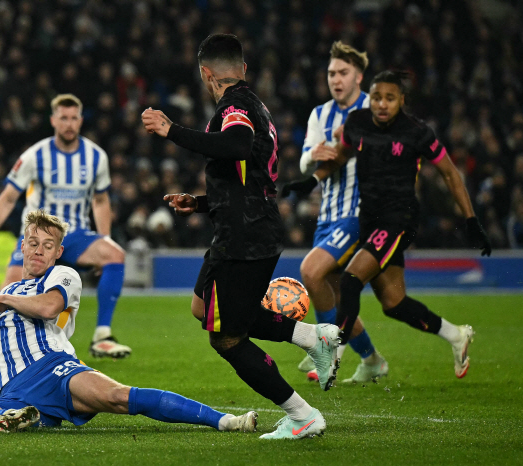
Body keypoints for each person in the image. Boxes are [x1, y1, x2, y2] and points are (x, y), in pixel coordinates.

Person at [142, 34, 340, 440]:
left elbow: (237, 144)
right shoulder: (256, 105)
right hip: (246, 225)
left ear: (205, 73)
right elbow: (246, 173)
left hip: (244, 235)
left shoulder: (234, 107)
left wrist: (171, 130)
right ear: (244, 68)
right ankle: (311, 335)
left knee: (228, 338)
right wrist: (199, 203)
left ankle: (303, 416)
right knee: (204, 309)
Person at [0, 210, 259, 433]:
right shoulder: (10, 290)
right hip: (12, 391)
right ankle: (20, 419)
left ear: (58, 252)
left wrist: (3, 298)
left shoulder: (65, 276)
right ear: (22, 246)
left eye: (48, 245)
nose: (39, 250)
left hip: (54, 369)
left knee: (120, 397)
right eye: (34, 243)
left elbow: (48, 308)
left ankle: (226, 421)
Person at [286, 71, 492, 378]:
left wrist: (471, 220)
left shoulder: (417, 132)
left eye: (390, 98)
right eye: (378, 97)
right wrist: (312, 181)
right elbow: (340, 157)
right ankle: (456, 335)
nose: (382, 104)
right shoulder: (356, 124)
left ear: (402, 101)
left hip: (400, 218)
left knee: (350, 281)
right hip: (370, 219)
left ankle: (332, 354)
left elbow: (450, 174)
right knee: (393, 303)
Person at [0, 94, 131, 363]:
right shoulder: (34, 156)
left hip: (75, 234)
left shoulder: (96, 157)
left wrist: (103, 240)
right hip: (37, 236)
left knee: (115, 254)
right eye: (63, 118)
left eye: (73, 118)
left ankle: (102, 336)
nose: (68, 124)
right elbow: (8, 197)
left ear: (80, 121)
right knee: (8, 289)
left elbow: (101, 201)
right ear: (53, 120)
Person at [296, 41, 387, 384]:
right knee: (332, 290)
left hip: (361, 214)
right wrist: (314, 156)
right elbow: (306, 162)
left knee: (310, 271)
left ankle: (328, 348)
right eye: (331, 73)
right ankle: (372, 360)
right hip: (329, 215)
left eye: (343, 73)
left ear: (359, 77)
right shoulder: (319, 114)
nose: (335, 79)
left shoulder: (375, 111)